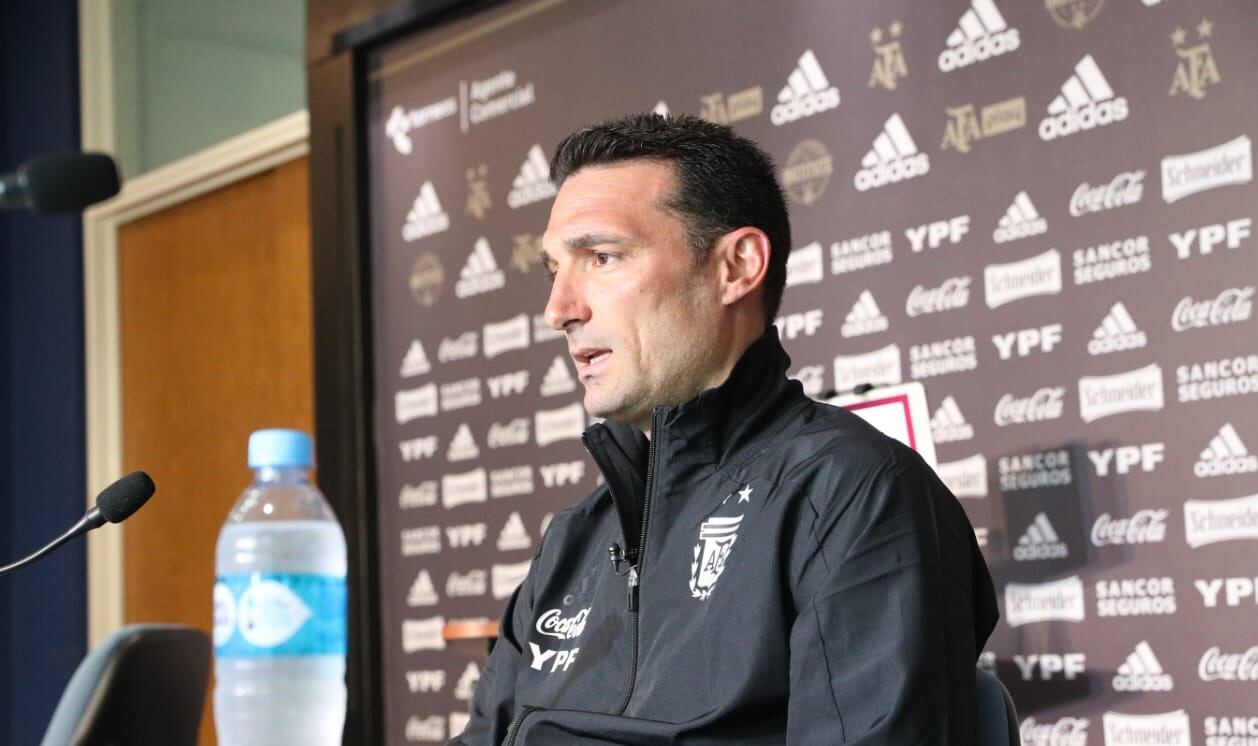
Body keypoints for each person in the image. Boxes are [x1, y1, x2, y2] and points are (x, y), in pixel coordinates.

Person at [451, 113, 997, 745]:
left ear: (736, 267)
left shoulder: (856, 495)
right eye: (554, 271)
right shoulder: (574, 539)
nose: (559, 310)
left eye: (602, 257)